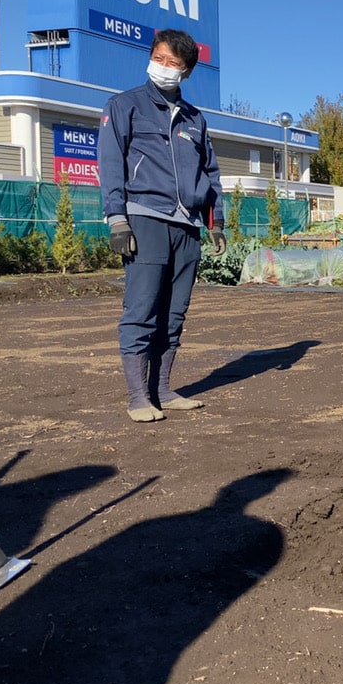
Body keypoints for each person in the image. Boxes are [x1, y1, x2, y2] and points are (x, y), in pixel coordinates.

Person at [98, 29, 226, 422]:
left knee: (174, 313)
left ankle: (164, 390)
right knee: (141, 310)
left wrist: (215, 220)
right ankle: (139, 396)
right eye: (160, 59)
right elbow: (110, 163)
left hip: (187, 227)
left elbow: (211, 172)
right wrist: (118, 219)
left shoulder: (194, 119)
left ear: (186, 71)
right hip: (145, 219)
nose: (165, 68)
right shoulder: (124, 106)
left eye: (174, 63)